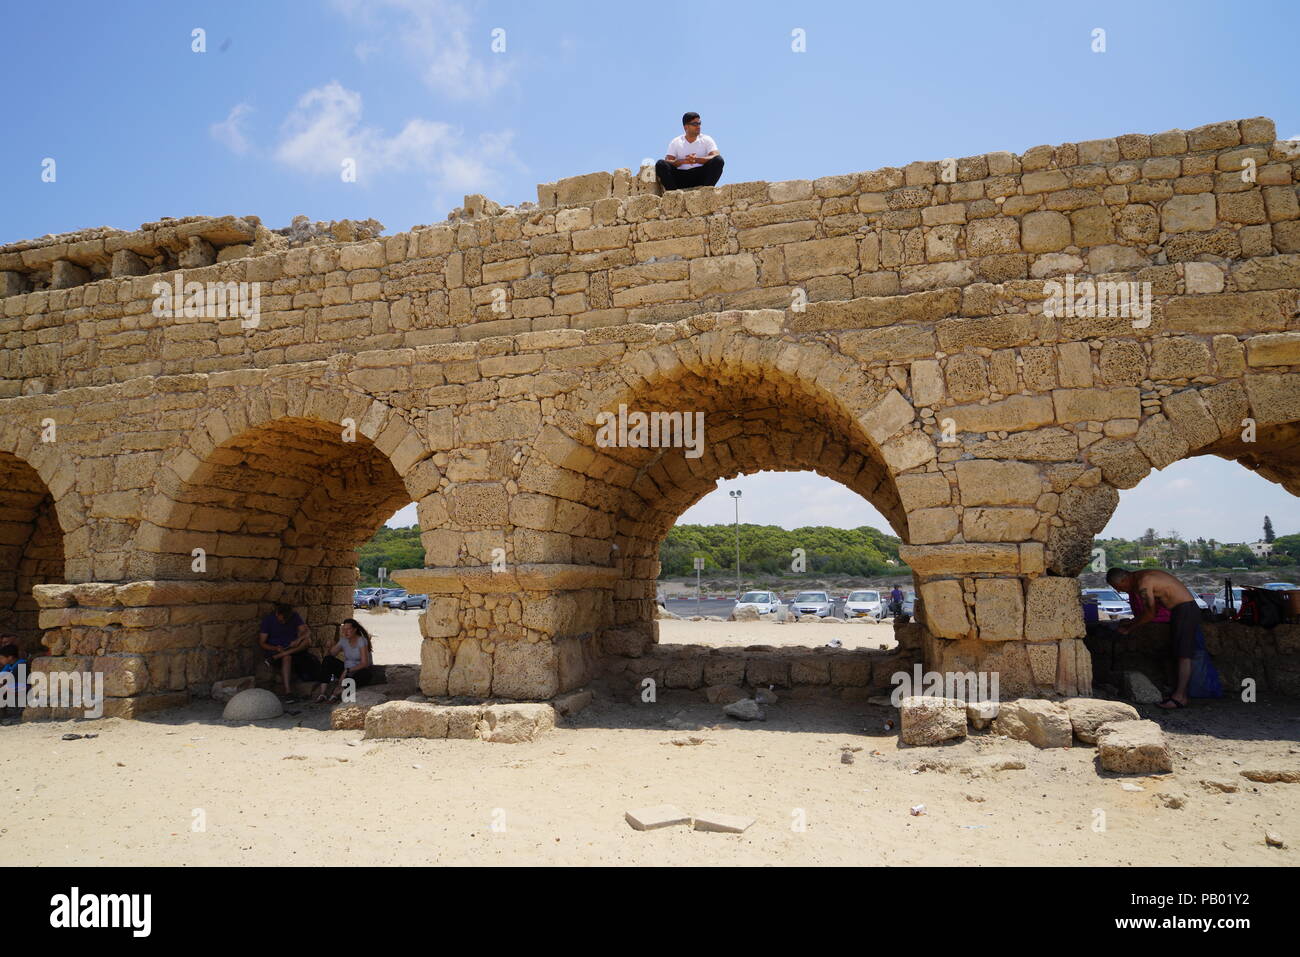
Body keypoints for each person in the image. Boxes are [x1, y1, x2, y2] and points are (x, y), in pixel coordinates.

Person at [1106, 567, 1201, 710]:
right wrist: (1132, 621)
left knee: (1183, 655)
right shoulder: (1140, 576)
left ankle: (1180, 697)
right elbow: (1149, 613)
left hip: (1185, 610)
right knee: (1178, 652)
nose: (1120, 591)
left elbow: (1150, 614)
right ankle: (1178, 693)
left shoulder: (1144, 582)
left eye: (1118, 587)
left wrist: (1129, 628)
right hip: (1179, 610)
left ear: (1124, 579)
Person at [258, 602, 318, 700]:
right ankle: (288, 691)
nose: (284, 622)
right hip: (277, 649)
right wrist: (276, 648)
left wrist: (298, 640)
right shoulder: (268, 620)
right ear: (277, 613)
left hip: (292, 647)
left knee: (308, 641)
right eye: (282, 620)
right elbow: (262, 643)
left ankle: (277, 657)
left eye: (287, 620)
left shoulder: (294, 616)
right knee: (287, 658)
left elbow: (307, 631)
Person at [654, 112, 724, 191]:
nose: (698, 126)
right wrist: (682, 162)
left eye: (699, 123)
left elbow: (715, 155)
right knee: (660, 164)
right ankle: (674, 195)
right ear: (686, 127)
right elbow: (668, 161)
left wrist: (697, 160)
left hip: (700, 176)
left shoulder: (706, 139)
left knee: (718, 160)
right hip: (681, 178)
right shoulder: (676, 142)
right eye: (695, 124)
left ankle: (706, 191)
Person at [313, 619, 375, 704]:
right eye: (344, 629)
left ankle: (337, 693)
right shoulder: (343, 640)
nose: (345, 632)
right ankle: (322, 693)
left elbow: (365, 663)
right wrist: (329, 647)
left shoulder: (361, 641)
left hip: (359, 670)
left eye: (348, 629)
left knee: (364, 674)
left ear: (355, 629)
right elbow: (331, 655)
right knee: (328, 660)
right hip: (346, 671)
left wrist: (347, 670)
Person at [0, 640, 27, 719]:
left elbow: (8, 679)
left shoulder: (21, 663)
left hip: (24, 687)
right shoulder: (8, 665)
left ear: (10, 657)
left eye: (1, 658)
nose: (0, 661)